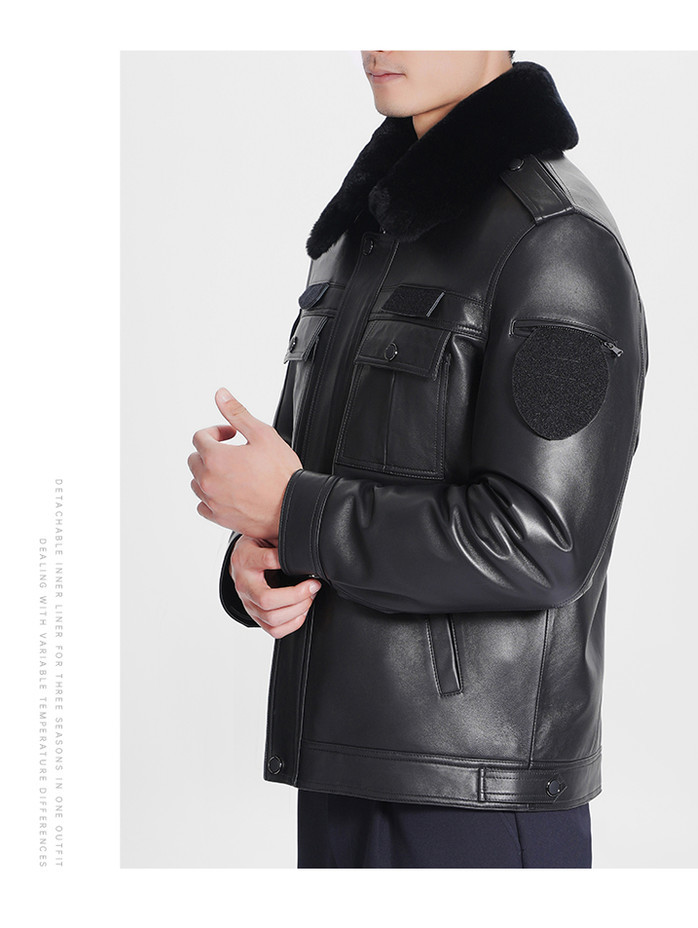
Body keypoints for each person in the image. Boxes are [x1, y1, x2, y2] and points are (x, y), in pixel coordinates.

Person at [188, 50, 649, 868]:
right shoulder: (359, 232)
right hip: (340, 769)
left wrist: (294, 510)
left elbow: (545, 543)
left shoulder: (557, 243)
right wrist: (257, 557)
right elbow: (313, 481)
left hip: (475, 799)